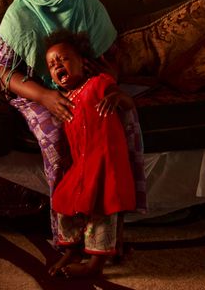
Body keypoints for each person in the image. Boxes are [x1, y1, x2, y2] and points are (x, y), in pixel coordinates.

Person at [0, 0, 146, 239]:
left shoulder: (87, 5)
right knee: (60, 132)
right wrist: (46, 96)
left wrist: (106, 82)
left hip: (87, 89)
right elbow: (5, 73)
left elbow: (112, 61)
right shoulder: (21, 12)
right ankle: (68, 234)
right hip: (36, 93)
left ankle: (109, 227)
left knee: (120, 120)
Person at [43, 29, 137, 278]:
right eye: (52, 65)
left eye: (63, 59)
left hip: (107, 162)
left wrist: (116, 97)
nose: (57, 66)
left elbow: (129, 103)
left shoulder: (98, 83)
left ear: (82, 63)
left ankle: (95, 265)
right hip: (82, 164)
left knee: (102, 211)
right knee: (64, 201)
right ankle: (72, 249)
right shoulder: (63, 99)